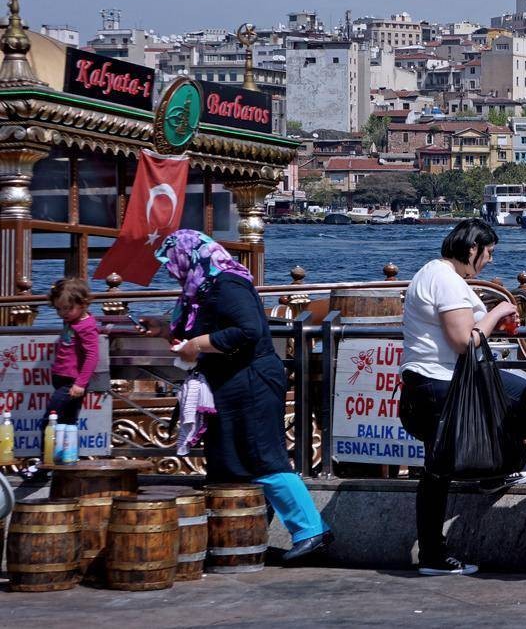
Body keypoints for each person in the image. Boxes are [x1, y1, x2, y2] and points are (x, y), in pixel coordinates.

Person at [140, 229, 330, 562]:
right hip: (229, 382)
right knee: (230, 458)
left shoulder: (227, 284)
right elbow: (203, 328)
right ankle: (248, 530)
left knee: (261, 454)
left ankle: (311, 529)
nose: (172, 270)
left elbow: (247, 330)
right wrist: (163, 328)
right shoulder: (204, 288)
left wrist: (196, 345)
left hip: (252, 380)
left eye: (174, 263)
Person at [398, 218, 526, 577]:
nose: (489, 261)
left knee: (435, 474)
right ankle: (496, 469)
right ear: (472, 249)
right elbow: (464, 342)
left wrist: (489, 320)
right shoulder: (446, 281)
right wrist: (500, 310)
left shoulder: (435, 275)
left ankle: (432, 554)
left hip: (425, 385)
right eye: (488, 253)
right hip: (442, 385)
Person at [47, 278, 100, 427]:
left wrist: (80, 383)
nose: (62, 313)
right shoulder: (72, 320)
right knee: (67, 419)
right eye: (58, 309)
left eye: (67, 308)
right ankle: (66, 448)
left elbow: (92, 356)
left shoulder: (86, 327)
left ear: (82, 304)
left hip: (72, 381)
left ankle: (47, 449)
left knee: (51, 417)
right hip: (62, 376)